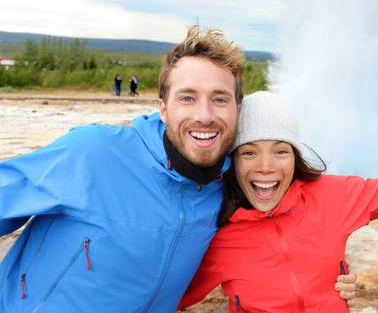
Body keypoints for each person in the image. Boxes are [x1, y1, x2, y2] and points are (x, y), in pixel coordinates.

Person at [0, 26, 355, 312]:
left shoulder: (231, 187)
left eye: (219, 98)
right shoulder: (93, 154)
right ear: (163, 108)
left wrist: (329, 276)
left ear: (236, 109)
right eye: (187, 97)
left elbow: (275, 237)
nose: (204, 114)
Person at [178, 91, 378, 312]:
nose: (265, 166)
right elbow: (170, 294)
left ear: (295, 157)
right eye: (249, 152)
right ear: (232, 162)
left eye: (281, 151)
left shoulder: (332, 196)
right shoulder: (217, 232)